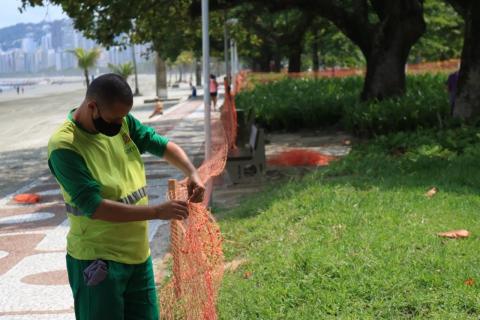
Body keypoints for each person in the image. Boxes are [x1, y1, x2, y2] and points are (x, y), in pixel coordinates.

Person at [47, 73, 205, 320]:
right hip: (97, 261)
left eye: (123, 117)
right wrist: (157, 212)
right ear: (92, 107)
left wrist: (192, 172)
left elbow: (160, 145)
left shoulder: (123, 123)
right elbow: (95, 207)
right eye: (115, 118)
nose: (120, 124)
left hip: (138, 255)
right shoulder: (65, 146)